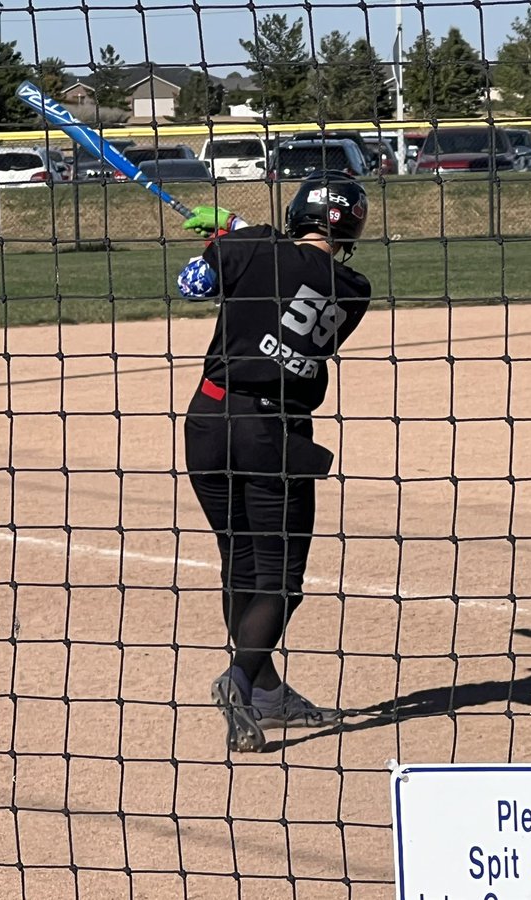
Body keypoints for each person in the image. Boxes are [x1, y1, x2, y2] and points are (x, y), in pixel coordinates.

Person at [176, 173, 372, 752]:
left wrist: (225, 241)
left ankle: (263, 690)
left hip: (208, 423)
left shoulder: (248, 248)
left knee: (239, 561)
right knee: (281, 578)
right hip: (273, 435)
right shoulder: (353, 289)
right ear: (353, 225)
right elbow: (299, 278)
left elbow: (194, 284)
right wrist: (237, 236)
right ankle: (239, 680)